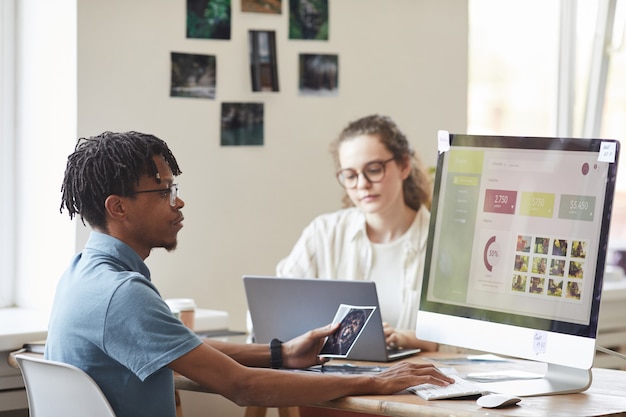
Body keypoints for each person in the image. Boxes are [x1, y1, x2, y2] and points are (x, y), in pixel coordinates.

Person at [45, 131, 453, 417]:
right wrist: (375, 382)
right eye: (164, 190)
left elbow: (188, 348)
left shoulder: (84, 275)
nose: (179, 200)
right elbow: (243, 387)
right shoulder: (122, 294)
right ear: (118, 207)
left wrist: (282, 353)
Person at [276, 115, 438, 353]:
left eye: (373, 170)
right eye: (350, 176)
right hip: (332, 377)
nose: (362, 184)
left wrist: (410, 339)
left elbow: (472, 345)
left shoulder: (442, 243)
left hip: (416, 382)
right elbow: (269, 315)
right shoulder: (323, 234)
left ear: (404, 166)